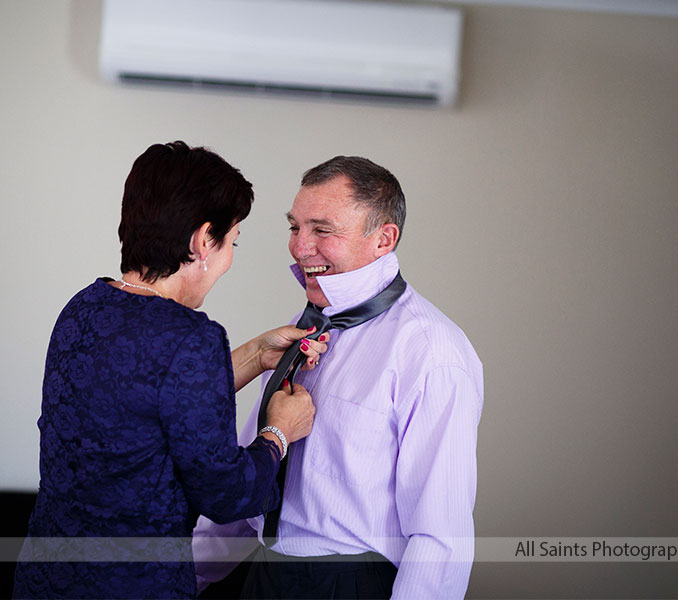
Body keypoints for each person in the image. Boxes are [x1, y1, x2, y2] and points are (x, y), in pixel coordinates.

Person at [12, 141, 329, 600]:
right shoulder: (190, 337)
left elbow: (143, 407)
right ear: (203, 240)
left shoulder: (83, 307)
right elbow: (227, 497)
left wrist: (255, 354)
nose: (229, 258)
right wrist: (278, 433)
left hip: (45, 580)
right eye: (232, 242)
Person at [193, 156, 484, 599]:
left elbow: (440, 538)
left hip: (350, 586)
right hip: (264, 576)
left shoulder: (431, 353)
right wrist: (180, 578)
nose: (299, 246)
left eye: (322, 230)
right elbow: (251, 474)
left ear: (383, 239)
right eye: (295, 227)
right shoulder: (305, 326)